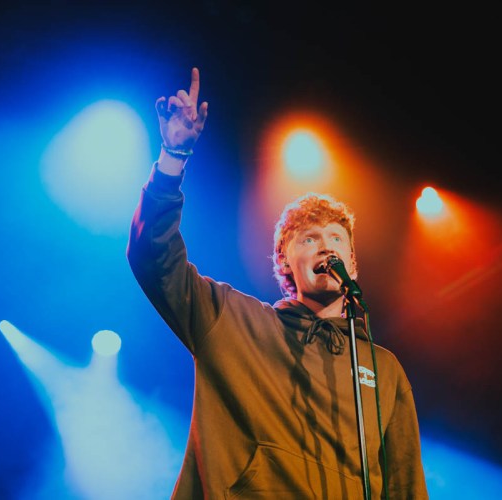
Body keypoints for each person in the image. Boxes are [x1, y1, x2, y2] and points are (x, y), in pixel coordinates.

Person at [127, 67, 428, 499]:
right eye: (309, 239)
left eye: (336, 239)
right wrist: (173, 158)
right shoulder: (234, 320)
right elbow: (154, 257)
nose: (325, 246)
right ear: (284, 261)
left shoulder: (385, 370)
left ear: (352, 264)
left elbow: (406, 487)